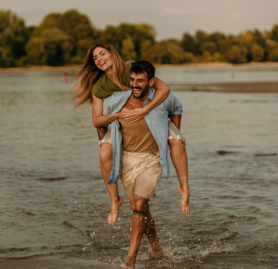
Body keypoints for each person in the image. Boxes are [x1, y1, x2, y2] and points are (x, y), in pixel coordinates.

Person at [71, 43, 189, 226]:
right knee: (104, 154)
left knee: (177, 142)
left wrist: (145, 110)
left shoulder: (131, 71)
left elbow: (164, 89)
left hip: (152, 114)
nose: (99, 59)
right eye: (95, 58)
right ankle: (114, 199)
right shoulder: (98, 86)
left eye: (103, 54)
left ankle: (183, 187)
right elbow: (96, 120)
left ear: (112, 54)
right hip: (121, 124)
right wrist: (116, 115)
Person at [102, 61, 189, 269]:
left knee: (139, 203)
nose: (135, 85)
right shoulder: (116, 100)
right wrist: (106, 142)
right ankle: (156, 246)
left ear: (151, 82)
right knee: (140, 209)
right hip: (126, 161)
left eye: (140, 81)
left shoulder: (163, 99)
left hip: (152, 159)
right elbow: (100, 118)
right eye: (132, 80)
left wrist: (172, 133)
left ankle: (130, 259)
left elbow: (178, 107)